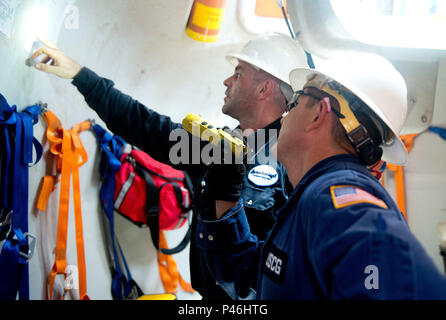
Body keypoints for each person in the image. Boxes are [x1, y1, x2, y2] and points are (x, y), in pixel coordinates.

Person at [31, 33, 309, 300]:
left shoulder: (295, 162)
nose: (226, 81)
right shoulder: (215, 148)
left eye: (238, 73)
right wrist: (80, 76)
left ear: (264, 88)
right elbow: (144, 125)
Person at [196, 53, 446, 299]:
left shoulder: (341, 201)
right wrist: (225, 196)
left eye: (293, 104)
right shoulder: (312, 195)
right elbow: (253, 279)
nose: (284, 117)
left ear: (318, 113)